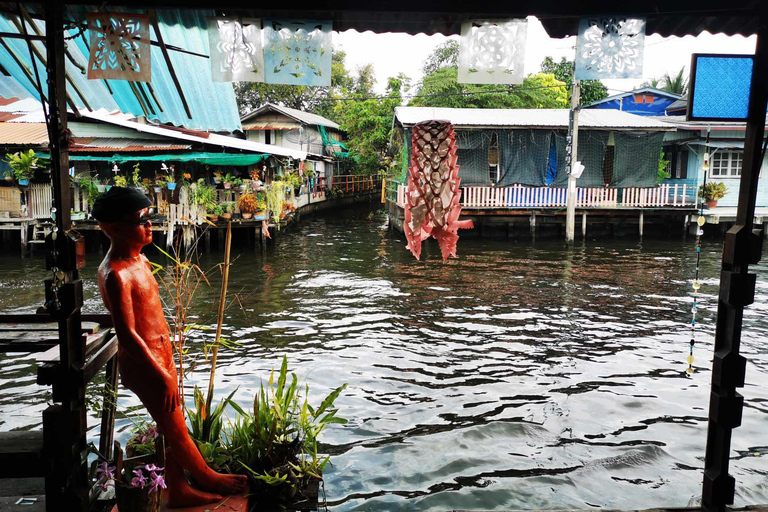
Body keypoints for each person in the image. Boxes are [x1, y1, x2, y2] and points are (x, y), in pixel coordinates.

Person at [92, 188, 247, 507]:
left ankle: (177, 488)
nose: (151, 226)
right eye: (141, 220)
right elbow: (128, 334)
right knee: (175, 428)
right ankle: (206, 475)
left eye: (151, 218)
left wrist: (169, 359)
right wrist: (161, 375)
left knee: (168, 424)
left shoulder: (141, 260)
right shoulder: (116, 274)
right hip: (145, 364)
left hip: (161, 358)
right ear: (114, 228)